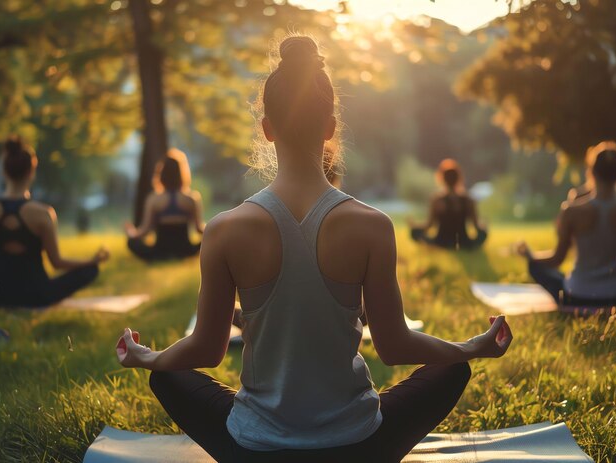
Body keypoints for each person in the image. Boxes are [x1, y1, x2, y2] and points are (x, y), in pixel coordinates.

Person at [115, 36, 513, 462]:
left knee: (165, 376)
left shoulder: (224, 229)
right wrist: (471, 347)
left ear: (267, 129)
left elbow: (206, 350)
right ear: (330, 126)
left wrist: (147, 356)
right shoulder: (373, 226)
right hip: (359, 447)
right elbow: (395, 346)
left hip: (253, 450)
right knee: (452, 368)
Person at [0, 136, 108, 308]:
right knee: (91, 271)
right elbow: (57, 262)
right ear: (31, 172)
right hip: (37, 295)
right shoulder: (43, 214)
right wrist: (91, 261)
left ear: (5, 171)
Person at [517, 141, 616, 307]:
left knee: (535, 267)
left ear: (591, 172)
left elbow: (557, 259)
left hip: (574, 296)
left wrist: (531, 256)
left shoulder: (570, 211)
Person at [124, 148, 205, 261]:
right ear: (182, 174)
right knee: (208, 241)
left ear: (161, 175)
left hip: (159, 253)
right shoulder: (191, 199)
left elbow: (145, 230)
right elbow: (200, 229)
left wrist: (131, 232)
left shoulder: (154, 199)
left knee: (131, 242)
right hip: (186, 251)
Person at [408, 159, 487, 250]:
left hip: (441, 242)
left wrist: (415, 226)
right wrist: (484, 226)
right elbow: (476, 226)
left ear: (442, 178)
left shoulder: (437, 200)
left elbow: (429, 225)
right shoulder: (468, 200)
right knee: (484, 233)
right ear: (459, 178)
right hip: (464, 243)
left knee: (414, 232)